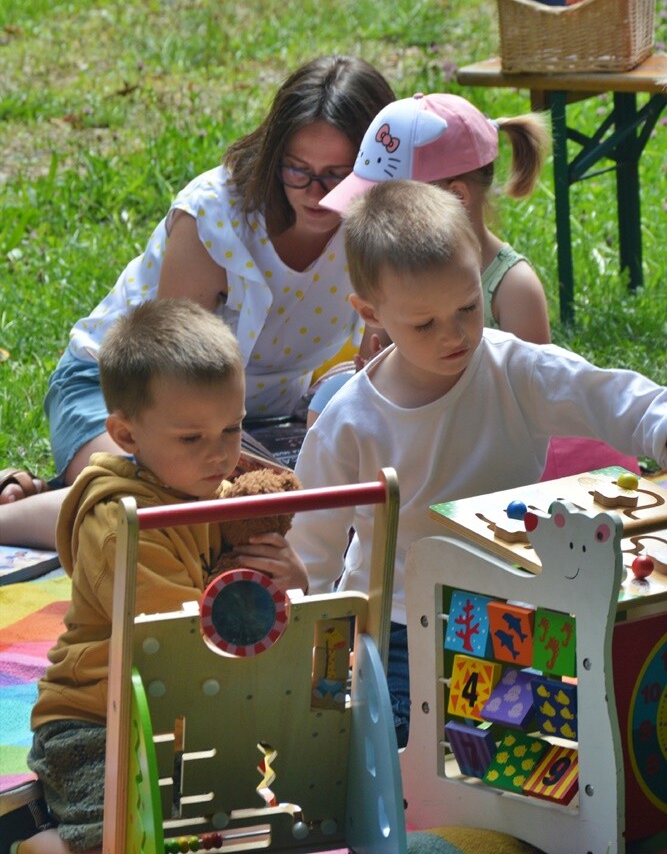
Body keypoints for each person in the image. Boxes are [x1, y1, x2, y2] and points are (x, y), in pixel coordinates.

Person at [290, 179, 667, 748]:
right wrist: (314, 666)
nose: (455, 335)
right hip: (399, 626)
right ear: (370, 312)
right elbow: (311, 552)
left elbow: (619, 401)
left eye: (468, 307)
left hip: (514, 612)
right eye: (425, 324)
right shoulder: (350, 422)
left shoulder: (515, 369)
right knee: (395, 746)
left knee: (567, 735)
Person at [0, 55, 395, 547]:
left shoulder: (377, 224)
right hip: (132, 395)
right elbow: (172, 381)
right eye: (297, 170)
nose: (316, 193)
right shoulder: (215, 216)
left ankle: (59, 490)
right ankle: (26, 516)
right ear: (273, 156)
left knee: (318, 510)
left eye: (337, 175)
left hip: (250, 419)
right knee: (168, 508)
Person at [15, 298, 309, 854]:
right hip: (96, 720)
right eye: (191, 438)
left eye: (232, 428)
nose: (220, 456)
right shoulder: (117, 525)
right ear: (126, 437)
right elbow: (181, 639)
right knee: (120, 836)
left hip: (187, 712)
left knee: (244, 819)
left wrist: (290, 579)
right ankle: (45, 845)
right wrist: (259, 601)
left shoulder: (210, 494)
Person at [305, 93, 640, 479]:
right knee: (328, 403)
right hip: (420, 428)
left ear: (455, 196)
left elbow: (529, 404)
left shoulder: (513, 286)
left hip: (492, 457)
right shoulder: (392, 276)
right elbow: (375, 367)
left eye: (468, 307)